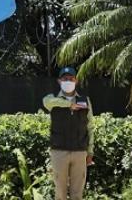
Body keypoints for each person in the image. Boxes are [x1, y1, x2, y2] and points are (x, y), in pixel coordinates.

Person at [42, 66, 94, 200]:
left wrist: (90, 151)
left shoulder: (85, 100)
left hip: (80, 152)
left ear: (76, 81)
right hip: (59, 152)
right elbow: (46, 102)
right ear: (59, 81)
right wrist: (69, 105)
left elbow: (90, 126)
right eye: (65, 79)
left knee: (77, 193)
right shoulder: (52, 99)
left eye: (71, 79)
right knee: (60, 193)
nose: (68, 81)